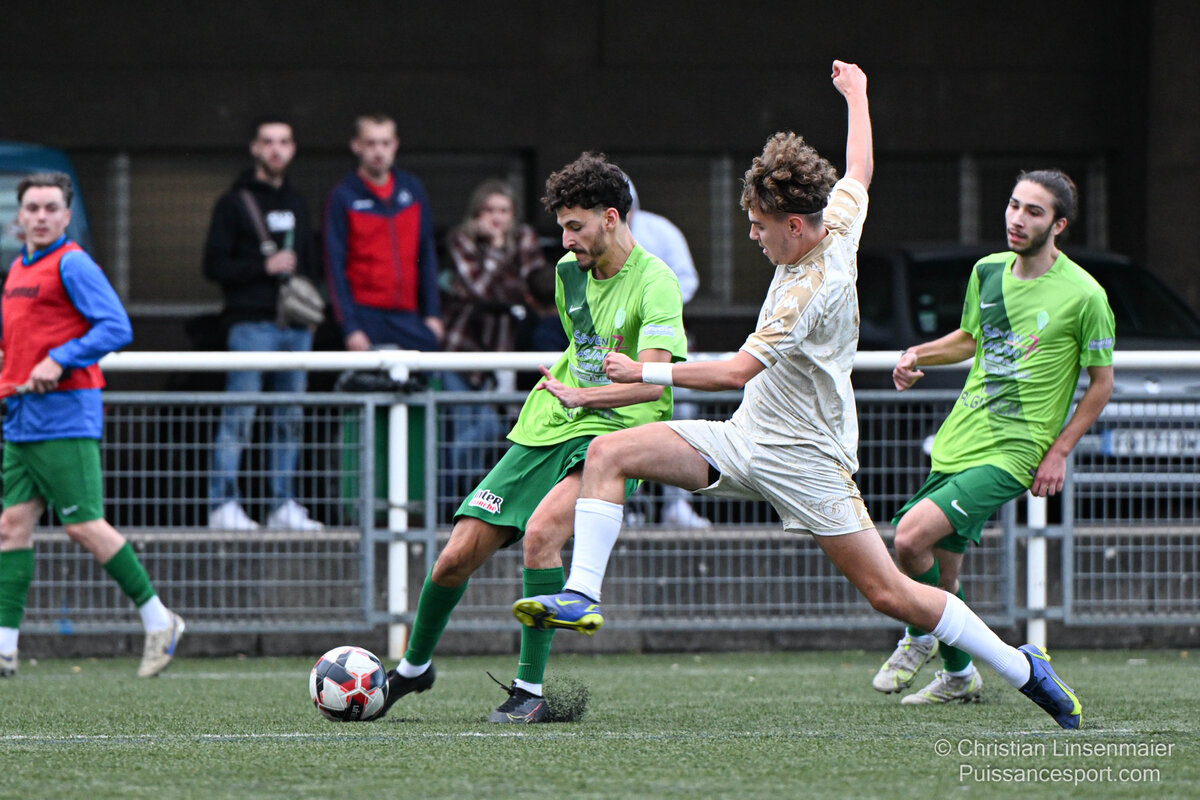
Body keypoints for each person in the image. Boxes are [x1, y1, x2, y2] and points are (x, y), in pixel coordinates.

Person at [514, 61, 1084, 731]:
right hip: (745, 439)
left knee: (890, 593)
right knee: (609, 453)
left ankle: (1021, 667)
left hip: (808, 458)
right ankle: (582, 594)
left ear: (792, 224)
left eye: (759, 225)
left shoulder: (808, 290)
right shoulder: (835, 221)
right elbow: (859, 168)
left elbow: (733, 374)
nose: (752, 236)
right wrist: (858, 95)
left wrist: (642, 373)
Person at [374, 152, 686, 724]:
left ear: (611, 218)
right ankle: (415, 668)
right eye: (561, 227)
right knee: (454, 557)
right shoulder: (569, 272)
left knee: (541, 534)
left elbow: (653, 384)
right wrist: (572, 395)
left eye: (576, 226)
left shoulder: (657, 283)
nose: (565, 241)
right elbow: (582, 352)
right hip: (548, 423)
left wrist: (586, 398)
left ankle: (528, 691)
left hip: (615, 438)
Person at [871, 169, 1114, 705]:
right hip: (960, 438)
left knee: (909, 538)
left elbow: (1101, 384)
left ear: (1059, 225)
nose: (1017, 218)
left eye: (1034, 211)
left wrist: (1059, 452)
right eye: (1013, 205)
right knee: (944, 578)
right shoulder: (987, 272)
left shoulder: (1085, 295)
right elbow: (968, 339)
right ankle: (959, 676)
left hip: (1014, 451)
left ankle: (918, 633)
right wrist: (916, 355)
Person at [0, 172, 184, 678]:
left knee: (83, 525)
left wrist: (60, 358)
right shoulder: (18, 268)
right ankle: (4, 647)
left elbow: (116, 326)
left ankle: (160, 620)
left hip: (64, 416)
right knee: (11, 527)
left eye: (50, 208)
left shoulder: (73, 262)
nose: (40, 216)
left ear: (66, 215)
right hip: (22, 419)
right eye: (32, 208)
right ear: (19, 216)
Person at [203, 117, 323, 532]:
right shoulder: (233, 202)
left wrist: (312, 312)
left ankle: (281, 504)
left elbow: (310, 265)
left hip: (296, 327)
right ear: (254, 148)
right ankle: (222, 505)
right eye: (268, 141)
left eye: (284, 141)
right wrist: (263, 266)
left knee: (290, 418)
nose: (276, 149)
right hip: (250, 324)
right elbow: (213, 265)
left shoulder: (298, 200)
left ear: (293, 149)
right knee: (239, 416)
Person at [440, 179, 546, 501]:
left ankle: (475, 501)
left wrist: (498, 263)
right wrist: (498, 252)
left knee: (494, 428)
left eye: (503, 210)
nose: (497, 218)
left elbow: (535, 289)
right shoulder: (461, 239)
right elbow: (481, 289)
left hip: (506, 352)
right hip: (462, 352)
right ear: (476, 214)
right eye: (489, 210)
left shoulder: (525, 237)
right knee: (467, 430)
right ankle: (453, 503)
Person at [624, 176, 709, 528]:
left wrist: (658, 310)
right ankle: (628, 507)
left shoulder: (661, 231)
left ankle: (677, 504)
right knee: (621, 420)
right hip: (618, 341)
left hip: (664, 336)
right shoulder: (592, 239)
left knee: (681, 409)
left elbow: (687, 279)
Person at [324, 114, 443, 353]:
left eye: (385, 143)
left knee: (435, 373)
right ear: (356, 145)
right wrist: (350, 327)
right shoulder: (343, 196)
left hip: (408, 314)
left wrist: (433, 313)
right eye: (371, 143)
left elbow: (427, 254)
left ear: (395, 144)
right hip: (364, 314)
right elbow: (334, 266)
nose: (379, 151)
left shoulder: (413, 189)